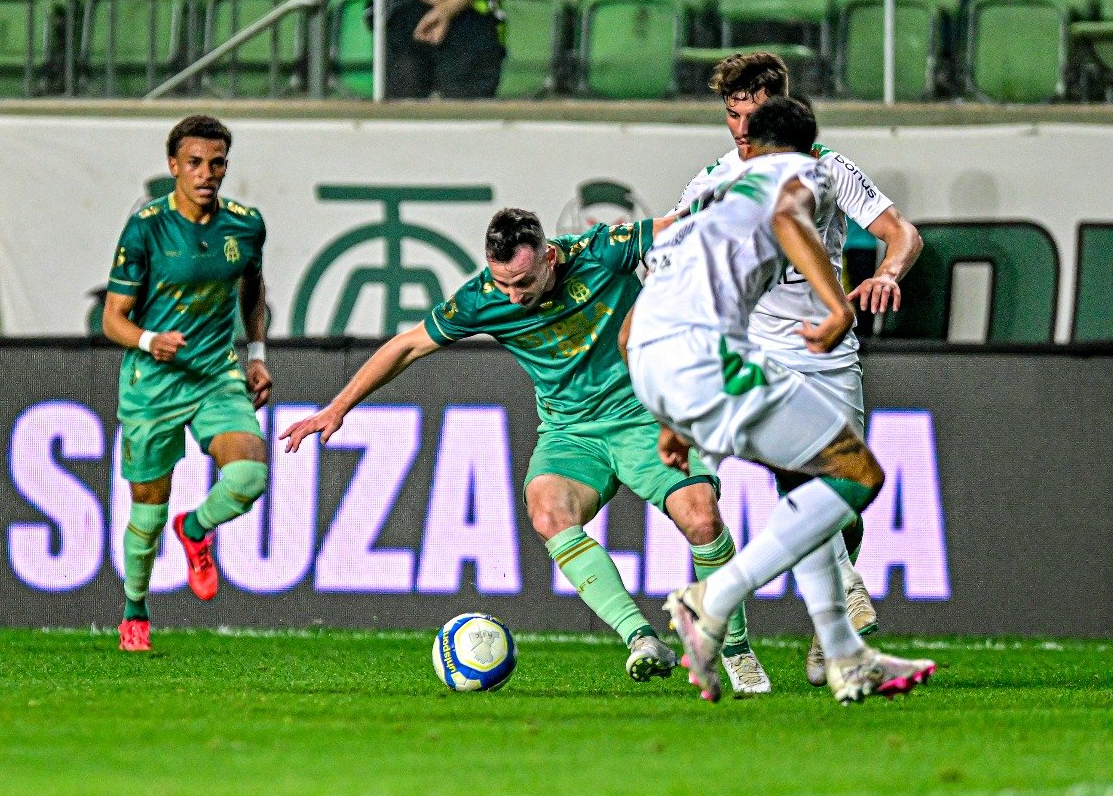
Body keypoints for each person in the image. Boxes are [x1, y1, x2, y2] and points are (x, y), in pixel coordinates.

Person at [281, 208, 772, 694]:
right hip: (570, 432)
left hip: (646, 417)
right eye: (503, 284)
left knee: (702, 520)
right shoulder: (482, 299)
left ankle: (735, 648)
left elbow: (684, 227)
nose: (513, 297)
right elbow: (407, 346)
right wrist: (338, 407)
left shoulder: (604, 250)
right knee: (547, 512)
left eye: (523, 282)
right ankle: (641, 639)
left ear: (550, 258)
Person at [625, 97, 935, 704]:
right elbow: (789, 220)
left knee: (810, 479)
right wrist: (839, 303)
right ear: (800, 145)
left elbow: (635, 326)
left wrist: (671, 411)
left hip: (656, 359)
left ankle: (846, 656)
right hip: (702, 356)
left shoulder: (710, 196)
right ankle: (711, 601)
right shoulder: (796, 171)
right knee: (856, 472)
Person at [103, 115, 272, 652]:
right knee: (147, 513)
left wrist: (257, 354)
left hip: (215, 375)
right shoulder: (146, 228)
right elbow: (112, 319)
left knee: (249, 475)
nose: (207, 173)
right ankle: (135, 608)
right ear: (173, 165)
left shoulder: (246, 225)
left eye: (217, 162)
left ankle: (197, 530)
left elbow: (252, 289)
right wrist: (150, 340)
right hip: (153, 382)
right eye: (194, 163)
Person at [386, 0, 505, 98]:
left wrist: (449, 7)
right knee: (400, 114)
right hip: (403, 20)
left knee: (465, 115)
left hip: (474, 23)